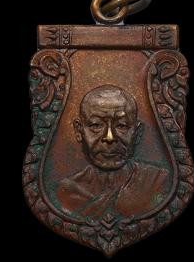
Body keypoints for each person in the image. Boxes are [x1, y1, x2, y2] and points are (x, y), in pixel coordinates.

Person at [56, 85, 170, 219]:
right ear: (79, 130)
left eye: (121, 125)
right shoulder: (67, 191)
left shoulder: (158, 181)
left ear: (137, 133)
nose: (109, 137)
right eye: (96, 125)